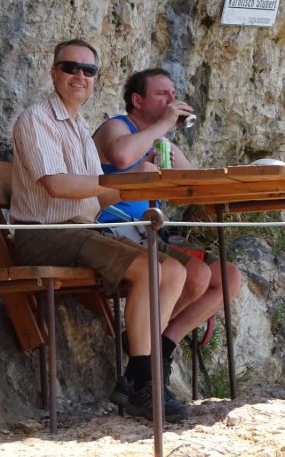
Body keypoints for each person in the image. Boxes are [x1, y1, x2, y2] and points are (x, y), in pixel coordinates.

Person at [10, 40, 192, 422]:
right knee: (150, 268)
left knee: (174, 270)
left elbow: (97, 200)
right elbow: (58, 187)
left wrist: (139, 185)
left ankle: (140, 377)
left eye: (88, 71)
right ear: (53, 72)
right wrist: (118, 181)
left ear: (95, 80)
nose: (80, 76)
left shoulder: (77, 127)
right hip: (44, 233)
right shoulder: (37, 119)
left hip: (81, 229)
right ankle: (142, 382)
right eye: (70, 68)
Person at [92, 68, 244, 391]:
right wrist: (163, 124)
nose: (172, 100)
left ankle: (162, 344)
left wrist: (176, 161)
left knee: (227, 277)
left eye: (174, 94)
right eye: (163, 94)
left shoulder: (160, 143)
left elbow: (200, 191)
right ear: (137, 100)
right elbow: (120, 155)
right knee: (196, 276)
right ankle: (143, 359)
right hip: (113, 228)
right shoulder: (116, 126)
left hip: (150, 234)